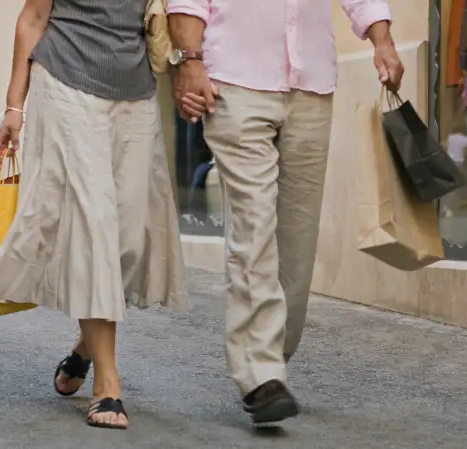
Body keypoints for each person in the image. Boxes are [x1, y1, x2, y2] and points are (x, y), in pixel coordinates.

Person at [166, 0, 405, 424]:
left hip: (311, 84)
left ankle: (274, 352)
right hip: (234, 81)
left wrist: (382, 41)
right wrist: (190, 60)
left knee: (298, 239)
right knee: (254, 224)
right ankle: (260, 374)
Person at [0, 0, 188, 430]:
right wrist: (14, 106)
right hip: (65, 81)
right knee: (94, 228)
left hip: (135, 89)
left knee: (128, 238)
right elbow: (32, 19)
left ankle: (86, 346)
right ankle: (108, 385)